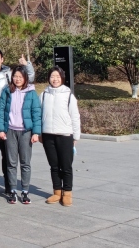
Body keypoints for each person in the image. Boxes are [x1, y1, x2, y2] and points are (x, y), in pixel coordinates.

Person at [0, 49, 35, 194]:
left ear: (2, 59)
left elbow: (28, 78)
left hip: (6, 117)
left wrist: (26, 65)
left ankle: (9, 183)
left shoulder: (9, 73)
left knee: (7, 152)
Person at [0, 66, 41, 205]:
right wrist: (0, 129)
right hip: (10, 130)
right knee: (11, 163)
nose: (18, 79)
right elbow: (0, 110)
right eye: (15, 76)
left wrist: (36, 132)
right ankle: (13, 191)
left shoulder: (31, 93)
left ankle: (25, 191)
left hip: (26, 132)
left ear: (25, 78)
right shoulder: (7, 91)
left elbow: (36, 113)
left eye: (20, 77)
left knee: (25, 163)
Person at [41, 66, 80, 207]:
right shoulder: (44, 94)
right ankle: (57, 192)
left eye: (57, 76)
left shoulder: (68, 95)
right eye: (52, 76)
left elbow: (75, 116)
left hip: (65, 135)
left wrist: (75, 136)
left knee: (66, 166)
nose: (55, 79)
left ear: (62, 78)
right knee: (54, 166)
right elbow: (39, 114)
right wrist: (39, 133)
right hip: (48, 135)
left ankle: (67, 193)